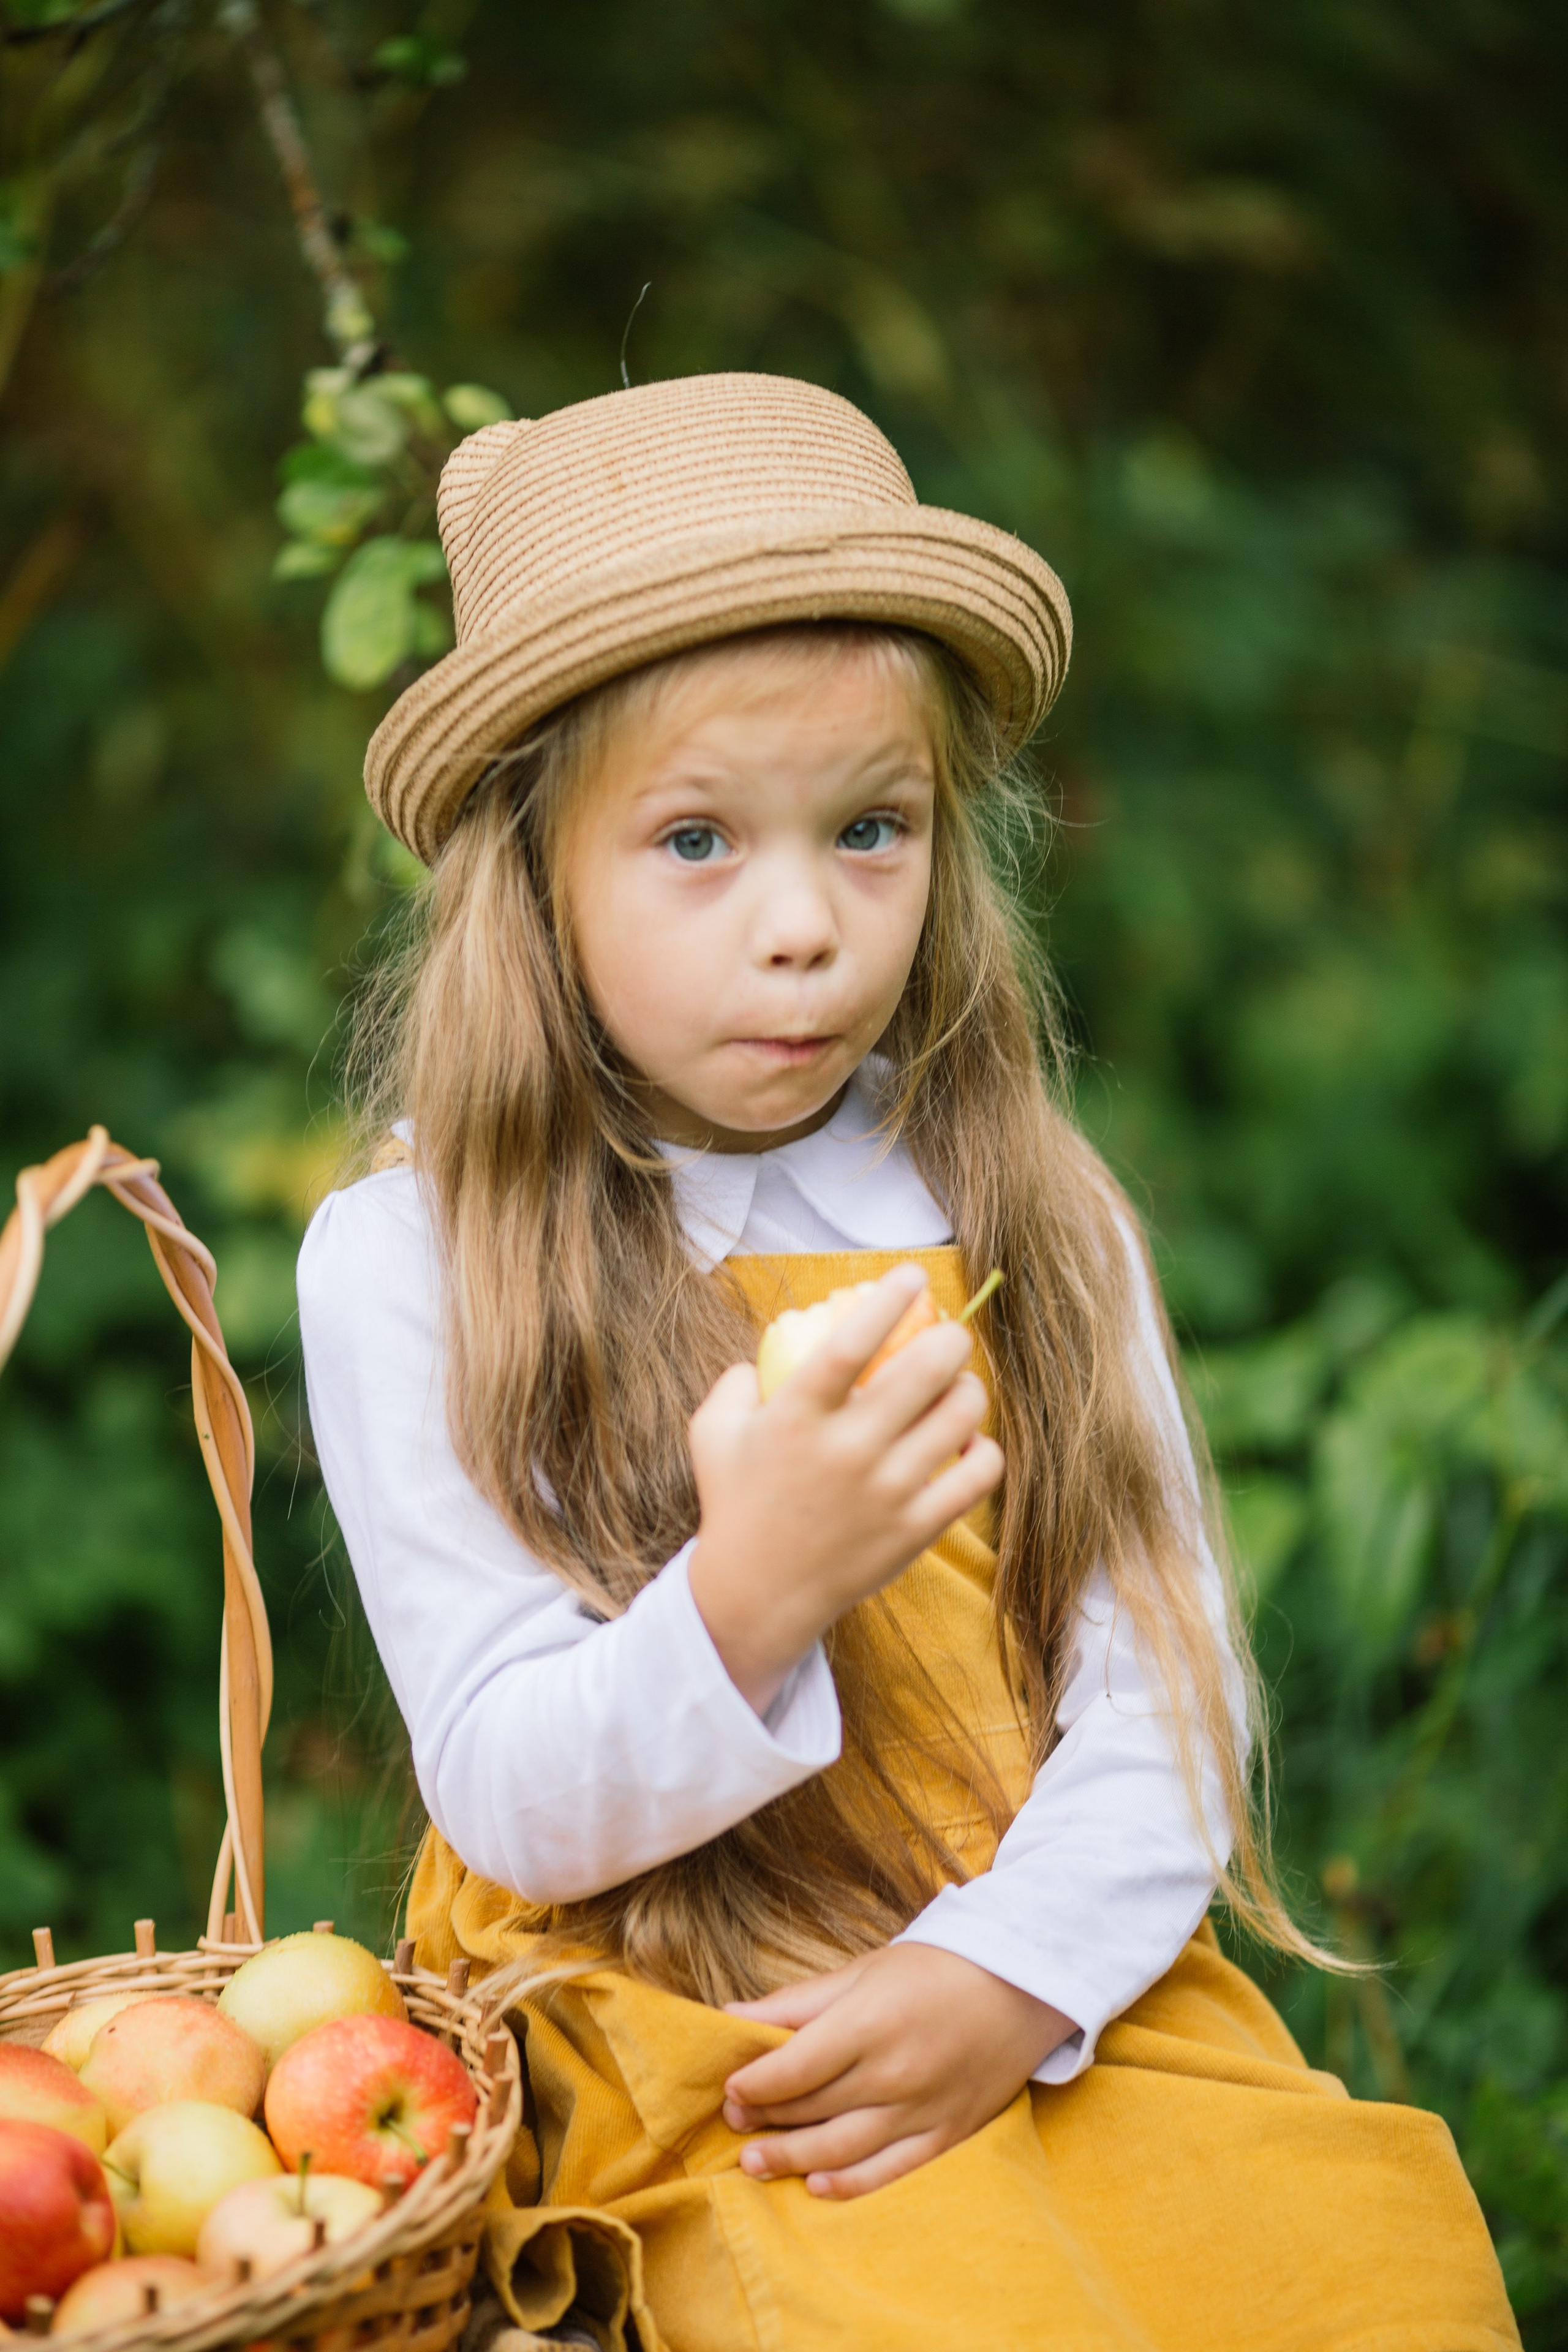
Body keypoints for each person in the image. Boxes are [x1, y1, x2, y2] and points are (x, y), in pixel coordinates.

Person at [298, 373, 1517, 2351]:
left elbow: (1166, 1681)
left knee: (1360, 2281)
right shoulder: (415, 1258)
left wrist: (1013, 1979)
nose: (807, 928)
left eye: (872, 828)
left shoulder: (1025, 1201)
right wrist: (757, 1590)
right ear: (529, 874)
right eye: (697, 839)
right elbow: (517, 1794)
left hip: (1042, 1960)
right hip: (706, 2010)